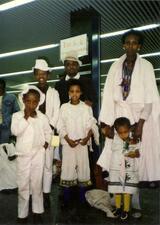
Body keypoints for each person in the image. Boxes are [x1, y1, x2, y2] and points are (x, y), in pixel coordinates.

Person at [97, 30, 160, 216]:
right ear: (123, 45)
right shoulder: (114, 67)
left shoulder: (146, 66)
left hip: (139, 119)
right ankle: (118, 202)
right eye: (128, 43)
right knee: (116, 161)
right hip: (118, 120)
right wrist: (105, 124)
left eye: (135, 43)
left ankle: (135, 204)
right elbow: (108, 96)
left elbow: (150, 99)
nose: (131, 46)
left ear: (139, 46)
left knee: (133, 163)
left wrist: (140, 124)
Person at [11, 86, 52, 224]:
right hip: (23, 155)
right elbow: (16, 132)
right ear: (23, 100)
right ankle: (22, 214)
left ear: (38, 102)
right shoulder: (17, 116)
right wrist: (26, 117)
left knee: (36, 184)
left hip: (38, 154)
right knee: (23, 185)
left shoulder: (42, 117)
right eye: (28, 101)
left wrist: (46, 142)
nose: (31, 105)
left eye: (34, 102)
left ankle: (37, 211)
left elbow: (48, 132)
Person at [57, 79, 97, 207]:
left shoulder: (86, 107)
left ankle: (82, 200)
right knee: (68, 170)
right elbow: (60, 126)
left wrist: (87, 138)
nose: (74, 94)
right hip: (69, 144)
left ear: (81, 93)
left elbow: (92, 125)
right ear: (68, 92)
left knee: (83, 170)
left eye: (77, 91)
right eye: (72, 91)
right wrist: (68, 139)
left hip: (82, 144)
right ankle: (67, 200)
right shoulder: (64, 107)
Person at [33, 58, 60, 209]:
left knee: (49, 165)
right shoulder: (31, 91)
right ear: (35, 75)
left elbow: (56, 113)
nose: (41, 76)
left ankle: (46, 193)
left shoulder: (54, 93)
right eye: (38, 74)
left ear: (48, 75)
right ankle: (35, 193)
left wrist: (47, 130)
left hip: (52, 134)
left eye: (44, 74)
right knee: (36, 165)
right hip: (35, 135)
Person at [109, 117, 140, 221]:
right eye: (120, 132)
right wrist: (127, 144)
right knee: (117, 189)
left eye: (125, 132)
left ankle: (126, 209)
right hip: (116, 168)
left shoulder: (134, 139)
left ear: (130, 130)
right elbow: (120, 150)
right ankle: (118, 207)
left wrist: (135, 153)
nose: (123, 135)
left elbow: (138, 152)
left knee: (127, 189)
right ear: (117, 132)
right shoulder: (116, 139)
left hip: (129, 168)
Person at [0, 79, 19, 144]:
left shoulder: (11, 97)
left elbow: (17, 112)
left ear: (4, 87)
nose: (0, 89)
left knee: (4, 146)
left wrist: (9, 119)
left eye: (1, 88)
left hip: (6, 127)